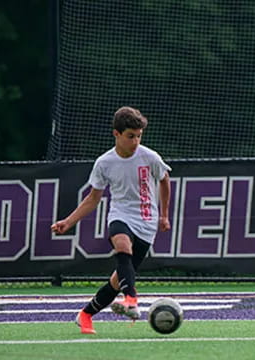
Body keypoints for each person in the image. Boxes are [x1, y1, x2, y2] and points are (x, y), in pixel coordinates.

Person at [51, 106, 171, 334]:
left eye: (138, 136)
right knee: (122, 244)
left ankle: (85, 314)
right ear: (116, 134)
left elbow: (165, 180)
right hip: (120, 214)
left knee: (118, 280)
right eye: (130, 136)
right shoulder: (104, 162)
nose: (135, 141)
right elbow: (93, 198)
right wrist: (69, 222)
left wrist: (164, 215)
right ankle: (132, 301)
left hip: (146, 220)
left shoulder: (150, 157)